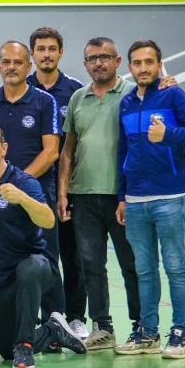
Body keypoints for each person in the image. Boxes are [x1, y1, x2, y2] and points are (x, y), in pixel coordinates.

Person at [0, 123, 86, 368]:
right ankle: (53, 331)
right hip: (1, 278)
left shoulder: (23, 182)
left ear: (4, 149)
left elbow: (48, 220)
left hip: (37, 265)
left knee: (27, 270)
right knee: (6, 349)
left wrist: (23, 199)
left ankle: (26, 347)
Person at [0, 40, 65, 320]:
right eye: (6, 62)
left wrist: (18, 184)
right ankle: (9, 321)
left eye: (17, 62)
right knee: (3, 259)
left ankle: (55, 322)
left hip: (37, 192)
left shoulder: (44, 101)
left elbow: (51, 151)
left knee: (46, 259)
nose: (11, 67)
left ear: (28, 66)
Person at [114, 39, 185, 359]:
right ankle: (147, 333)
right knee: (144, 270)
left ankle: (179, 333)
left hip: (170, 198)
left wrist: (169, 135)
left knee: (175, 267)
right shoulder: (126, 104)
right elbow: (122, 151)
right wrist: (122, 196)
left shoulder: (172, 95)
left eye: (149, 62)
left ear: (159, 65)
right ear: (130, 67)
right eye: (137, 63)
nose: (143, 68)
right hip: (135, 200)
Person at [59, 37, 140, 351]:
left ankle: (140, 327)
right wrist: (63, 193)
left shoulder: (133, 93)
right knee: (91, 266)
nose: (98, 63)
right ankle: (103, 328)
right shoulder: (78, 98)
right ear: (85, 64)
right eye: (92, 58)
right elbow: (68, 150)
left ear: (117, 61)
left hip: (122, 197)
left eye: (104, 57)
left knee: (131, 265)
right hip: (83, 197)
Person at [26, 26, 89, 339]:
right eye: (41, 49)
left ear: (61, 52)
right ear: (32, 54)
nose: (46, 54)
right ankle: (48, 318)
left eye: (52, 48)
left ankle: (76, 317)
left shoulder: (75, 91)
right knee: (41, 257)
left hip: (70, 188)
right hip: (34, 190)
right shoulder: (23, 88)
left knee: (72, 255)